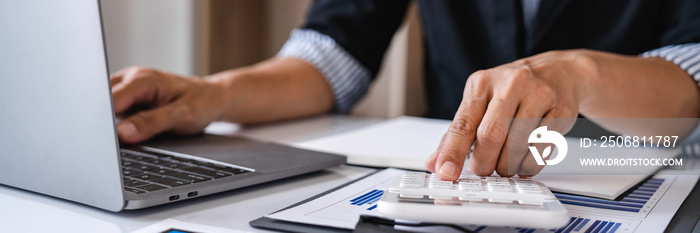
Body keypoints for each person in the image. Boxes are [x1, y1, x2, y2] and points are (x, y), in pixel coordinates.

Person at [110, 0, 700, 180]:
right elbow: (337, 49)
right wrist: (214, 95)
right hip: (462, 179)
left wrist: (581, 74)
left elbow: (691, 80)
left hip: (633, 166)